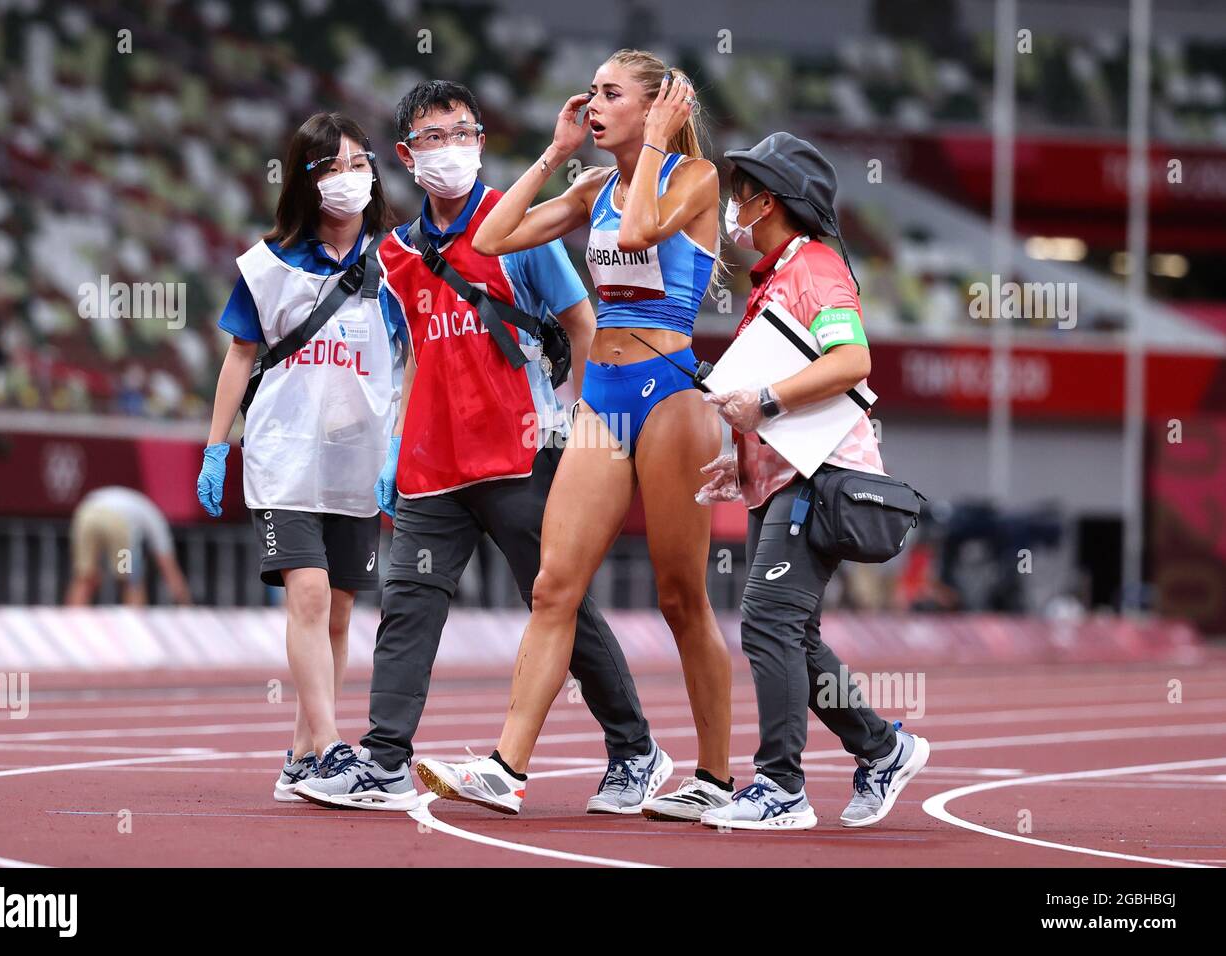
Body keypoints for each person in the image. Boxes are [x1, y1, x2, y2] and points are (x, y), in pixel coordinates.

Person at [295, 80, 662, 815]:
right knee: (406, 607)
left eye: (464, 132)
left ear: (482, 140)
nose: (452, 148)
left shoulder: (515, 222)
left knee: (559, 607)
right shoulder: (394, 254)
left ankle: (635, 750)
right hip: (432, 468)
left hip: (520, 458)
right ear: (405, 154)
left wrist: (577, 419)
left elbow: (582, 323)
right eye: (434, 137)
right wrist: (393, 451)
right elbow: (403, 361)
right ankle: (385, 759)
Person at [416, 50, 734, 821]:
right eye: (590, 90)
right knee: (554, 584)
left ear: (658, 108)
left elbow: (639, 229)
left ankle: (717, 777)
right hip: (604, 397)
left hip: (670, 398)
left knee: (680, 596)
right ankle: (506, 767)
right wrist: (556, 154)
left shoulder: (694, 181)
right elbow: (489, 240)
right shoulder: (592, 185)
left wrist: (659, 140)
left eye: (611, 93)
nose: (593, 102)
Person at [694, 131, 929, 830]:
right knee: (790, 633)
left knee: (767, 622)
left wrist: (763, 401)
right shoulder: (775, 275)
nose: (732, 209)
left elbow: (852, 359)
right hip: (783, 477)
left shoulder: (816, 265)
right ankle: (883, 748)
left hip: (819, 475)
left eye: (740, 195)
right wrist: (741, 459)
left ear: (767, 201)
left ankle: (780, 788)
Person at [196, 112, 400, 804]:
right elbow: (239, 356)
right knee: (308, 594)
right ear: (306, 182)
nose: (348, 178)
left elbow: (410, 360)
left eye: (357, 163)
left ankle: (301, 753)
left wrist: (399, 445)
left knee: (340, 609)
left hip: (357, 460)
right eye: (330, 167)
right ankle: (332, 748)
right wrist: (216, 445)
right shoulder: (269, 265)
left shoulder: (396, 263)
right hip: (283, 455)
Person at [65, 485, 192, 607]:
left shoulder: (142, 507)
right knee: (130, 580)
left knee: (84, 577)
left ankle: (71, 621)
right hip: (115, 520)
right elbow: (168, 567)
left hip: (86, 513)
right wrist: (185, 603)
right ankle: (135, 623)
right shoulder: (155, 519)